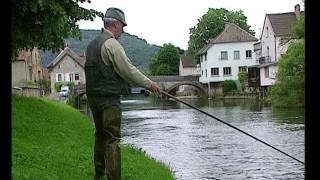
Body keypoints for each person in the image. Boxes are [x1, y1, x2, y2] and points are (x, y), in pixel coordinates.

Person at [84, 7, 161, 180]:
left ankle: (98, 175)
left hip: (93, 98)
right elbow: (129, 71)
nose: (123, 30)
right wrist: (150, 84)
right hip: (109, 99)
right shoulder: (112, 45)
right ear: (116, 25)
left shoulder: (90, 46)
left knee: (100, 135)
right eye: (122, 26)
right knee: (112, 139)